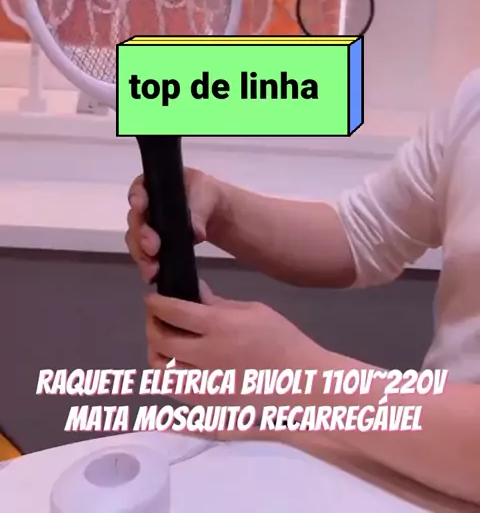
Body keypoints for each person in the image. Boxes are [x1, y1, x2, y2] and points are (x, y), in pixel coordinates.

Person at [126, 69, 480, 506]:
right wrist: (222, 210)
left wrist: (295, 377)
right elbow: (364, 231)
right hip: (425, 474)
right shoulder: (473, 101)